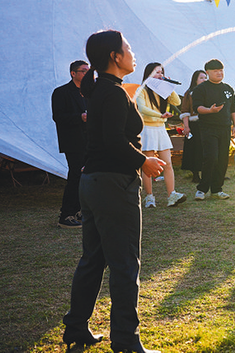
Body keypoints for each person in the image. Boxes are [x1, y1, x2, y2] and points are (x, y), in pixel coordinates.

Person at [63, 30, 165, 353]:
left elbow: (100, 137)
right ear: (115, 57)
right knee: (124, 264)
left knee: (93, 260)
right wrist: (144, 161)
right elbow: (113, 140)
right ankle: (125, 339)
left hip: (93, 182)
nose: (133, 53)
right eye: (128, 48)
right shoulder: (113, 92)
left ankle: (76, 327)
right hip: (113, 185)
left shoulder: (100, 90)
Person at [136, 63, 186, 208]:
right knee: (148, 165)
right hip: (147, 128)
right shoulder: (142, 89)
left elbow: (177, 101)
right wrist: (160, 115)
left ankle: (172, 195)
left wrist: (169, 87)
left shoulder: (162, 90)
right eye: (156, 72)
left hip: (160, 129)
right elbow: (142, 108)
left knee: (167, 163)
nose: (160, 75)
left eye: (161, 72)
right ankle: (149, 197)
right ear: (148, 74)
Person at [192, 59, 235, 200]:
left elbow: (234, 109)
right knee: (211, 157)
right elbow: (197, 108)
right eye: (215, 71)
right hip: (208, 127)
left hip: (225, 128)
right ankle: (202, 189)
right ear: (207, 72)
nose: (219, 73)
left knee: (223, 159)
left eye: (221, 70)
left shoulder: (228, 89)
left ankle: (217, 189)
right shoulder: (201, 89)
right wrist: (210, 110)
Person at [51, 60, 89, 229]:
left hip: (89, 140)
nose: (88, 74)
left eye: (89, 71)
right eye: (84, 71)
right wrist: (79, 117)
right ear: (73, 73)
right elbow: (58, 117)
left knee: (86, 176)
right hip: (73, 141)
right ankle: (66, 215)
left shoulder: (89, 92)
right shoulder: (61, 92)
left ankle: (79, 211)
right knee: (75, 176)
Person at [180, 69, 206, 185]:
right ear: (195, 80)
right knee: (195, 149)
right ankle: (195, 175)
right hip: (195, 124)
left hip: (207, 123)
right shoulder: (189, 93)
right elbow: (185, 111)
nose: (204, 80)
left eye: (205, 78)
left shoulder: (208, 91)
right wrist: (186, 126)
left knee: (207, 148)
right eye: (201, 78)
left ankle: (209, 173)